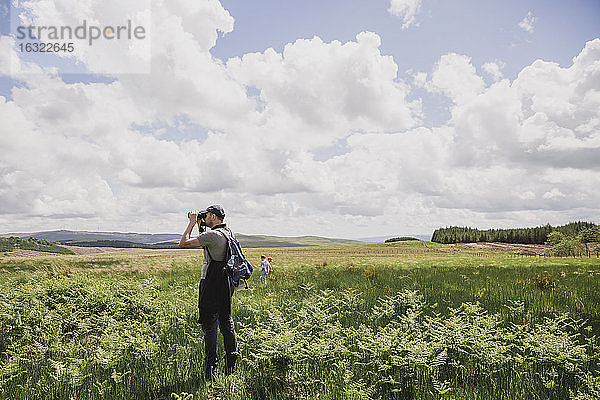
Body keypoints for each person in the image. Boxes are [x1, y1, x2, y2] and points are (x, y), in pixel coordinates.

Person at [179, 204, 237, 380]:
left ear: (213, 216)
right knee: (226, 322)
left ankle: (210, 370)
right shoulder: (228, 233)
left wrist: (191, 222)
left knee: (209, 325)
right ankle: (231, 367)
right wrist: (200, 223)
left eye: (207, 215)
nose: (205, 217)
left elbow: (183, 244)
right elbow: (205, 240)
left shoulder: (212, 235)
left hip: (210, 283)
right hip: (225, 282)